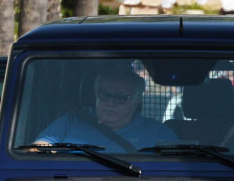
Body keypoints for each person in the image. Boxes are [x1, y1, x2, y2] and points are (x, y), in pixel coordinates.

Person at [32, 62, 171, 149]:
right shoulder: (68, 123)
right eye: (105, 95)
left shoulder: (158, 133)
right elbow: (39, 149)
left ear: (136, 102)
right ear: (95, 95)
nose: (110, 103)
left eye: (120, 98)